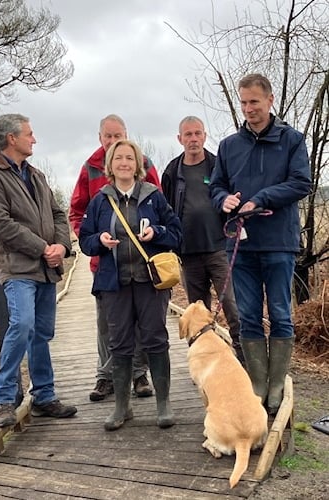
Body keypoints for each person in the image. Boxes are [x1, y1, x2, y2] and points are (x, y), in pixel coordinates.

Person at [209, 74, 311, 415]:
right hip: (241, 244)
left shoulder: (292, 140)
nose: (249, 108)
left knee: (280, 314)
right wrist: (223, 199)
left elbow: (301, 183)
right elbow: (216, 185)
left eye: (254, 101)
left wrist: (261, 198)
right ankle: (258, 385)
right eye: (243, 102)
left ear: (269, 101)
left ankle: (277, 386)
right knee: (249, 317)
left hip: (279, 242)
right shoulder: (228, 146)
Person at [0, 113, 77, 427]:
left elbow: (59, 215)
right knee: (21, 324)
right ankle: (5, 398)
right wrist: (41, 248)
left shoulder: (36, 175)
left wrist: (61, 246)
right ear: (11, 138)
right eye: (29, 134)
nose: (34, 139)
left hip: (47, 269)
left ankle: (44, 396)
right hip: (18, 268)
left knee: (41, 334)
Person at [79, 139, 182, 430]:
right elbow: (85, 240)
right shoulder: (100, 200)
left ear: (138, 165)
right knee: (119, 343)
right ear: (109, 166)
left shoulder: (154, 197)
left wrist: (157, 232)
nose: (124, 163)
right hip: (114, 284)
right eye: (118, 158)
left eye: (130, 158)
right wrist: (98, 241)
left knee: (155, 338)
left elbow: (176, 233)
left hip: (151, 283)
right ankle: (122, 407)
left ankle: (164, 404)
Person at [69, 114, 161, 401]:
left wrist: (156, 235)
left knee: (143, 321)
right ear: (100, 138)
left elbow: (161, 205)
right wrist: (95, 240)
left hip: (143, 262)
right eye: (107, 136)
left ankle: (139, 374)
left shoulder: (143, 164)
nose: (112, 142)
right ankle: (105, 377)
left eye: (117, 135)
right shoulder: (90, 168)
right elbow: (76, 212)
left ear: (126, 135)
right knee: (108, 323)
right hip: (106, 264)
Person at [161, 116, 243, 363]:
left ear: (205, 136)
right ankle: (204, 360)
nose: (193, 139)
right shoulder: (172, 172)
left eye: (198, 133)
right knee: (197, 312)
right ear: (180, 139)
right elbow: (166, 211)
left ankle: (243, 358)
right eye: (188, 134)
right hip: (188, 253)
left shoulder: (218, 166)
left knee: (232, 306)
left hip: (220, 249)